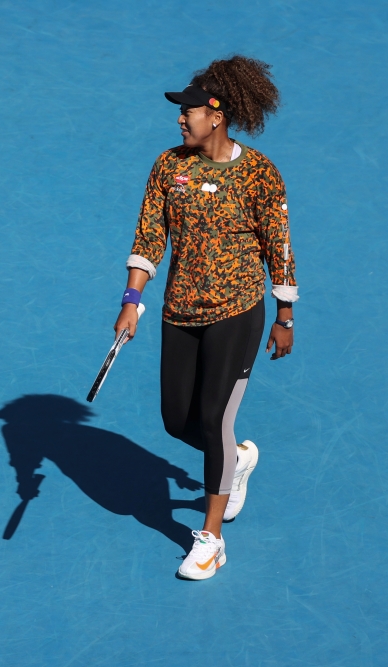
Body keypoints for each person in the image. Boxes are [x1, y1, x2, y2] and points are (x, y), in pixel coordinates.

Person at [113, 55, 298, 580]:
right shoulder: (169, 167)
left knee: (214, 416)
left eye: (187, 110)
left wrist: (284, 312)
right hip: (180, 311)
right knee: (178, 420)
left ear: (215, 115)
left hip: (237, 311)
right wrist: (132, 300)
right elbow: (149, 236)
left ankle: (210, 540)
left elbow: (277, 244)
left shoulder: (259, 174)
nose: (179, 118)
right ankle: (234, 459)